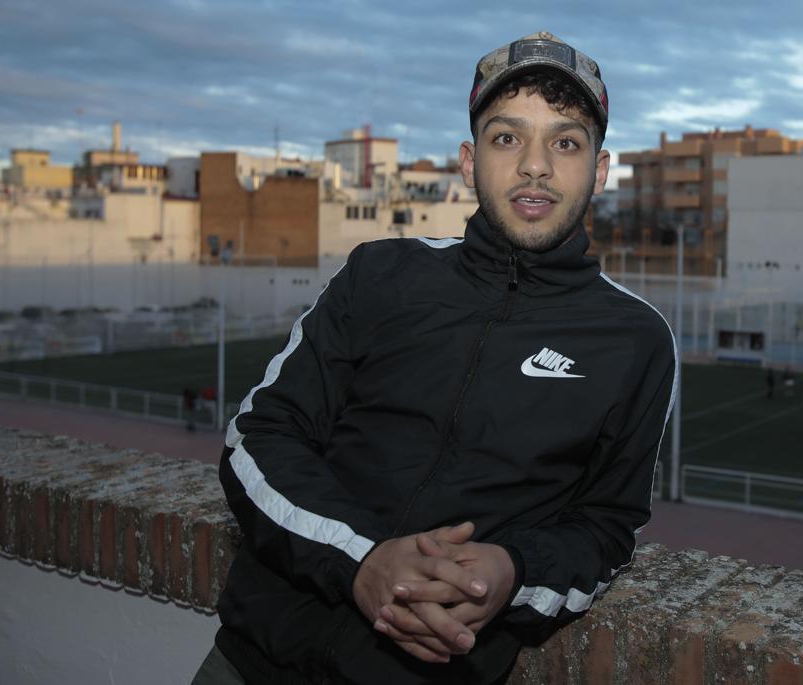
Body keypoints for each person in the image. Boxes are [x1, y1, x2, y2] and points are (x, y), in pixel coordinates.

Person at [196, 31, 677, 685]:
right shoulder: (381, 273)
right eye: (507, 137)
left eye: (565, 141)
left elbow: (606, 526)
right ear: (466, 160)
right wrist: (361, 561)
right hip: (250, 664)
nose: (536, 165)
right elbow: (259, 438)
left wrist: (513, 571)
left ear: (600, 167)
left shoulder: (635, 340)